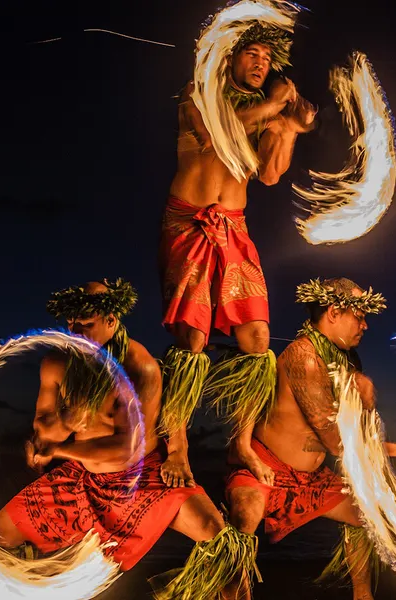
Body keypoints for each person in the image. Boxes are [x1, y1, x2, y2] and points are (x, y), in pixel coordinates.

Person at [0, 280, 254, 596]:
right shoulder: (58, 363)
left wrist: (58, 448)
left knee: (220, 541)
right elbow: (45, 430)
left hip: (142, 478)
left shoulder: (139, 367)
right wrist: (71, 417)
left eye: (87, 325)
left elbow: (126, 451)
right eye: (72, 324)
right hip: (82, 475)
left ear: (112, 321)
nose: (77, 333)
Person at [157, 19, 317, 490]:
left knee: (257, 339)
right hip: (190, 223)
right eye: (254, 55)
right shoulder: (199, 94)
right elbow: (216, 136)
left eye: (268, 59)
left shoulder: (264, 112)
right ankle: (179, 445)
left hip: (236, 230)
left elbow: (268, 174)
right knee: (193, 339)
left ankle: (241, 442)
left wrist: (289, 128)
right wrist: (274, 105)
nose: (261, 65)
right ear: (229, 57)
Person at [224, 277, 396, 599]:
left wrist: (365, 397)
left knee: (362, 514)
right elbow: (338, 442)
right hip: (265, 468)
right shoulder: (304, 358)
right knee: (246, 513)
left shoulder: (345, 361)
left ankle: (362, 596)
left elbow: (358, 429)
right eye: (359, 316)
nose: (365, 326)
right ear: (334, 312)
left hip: (309, 479)